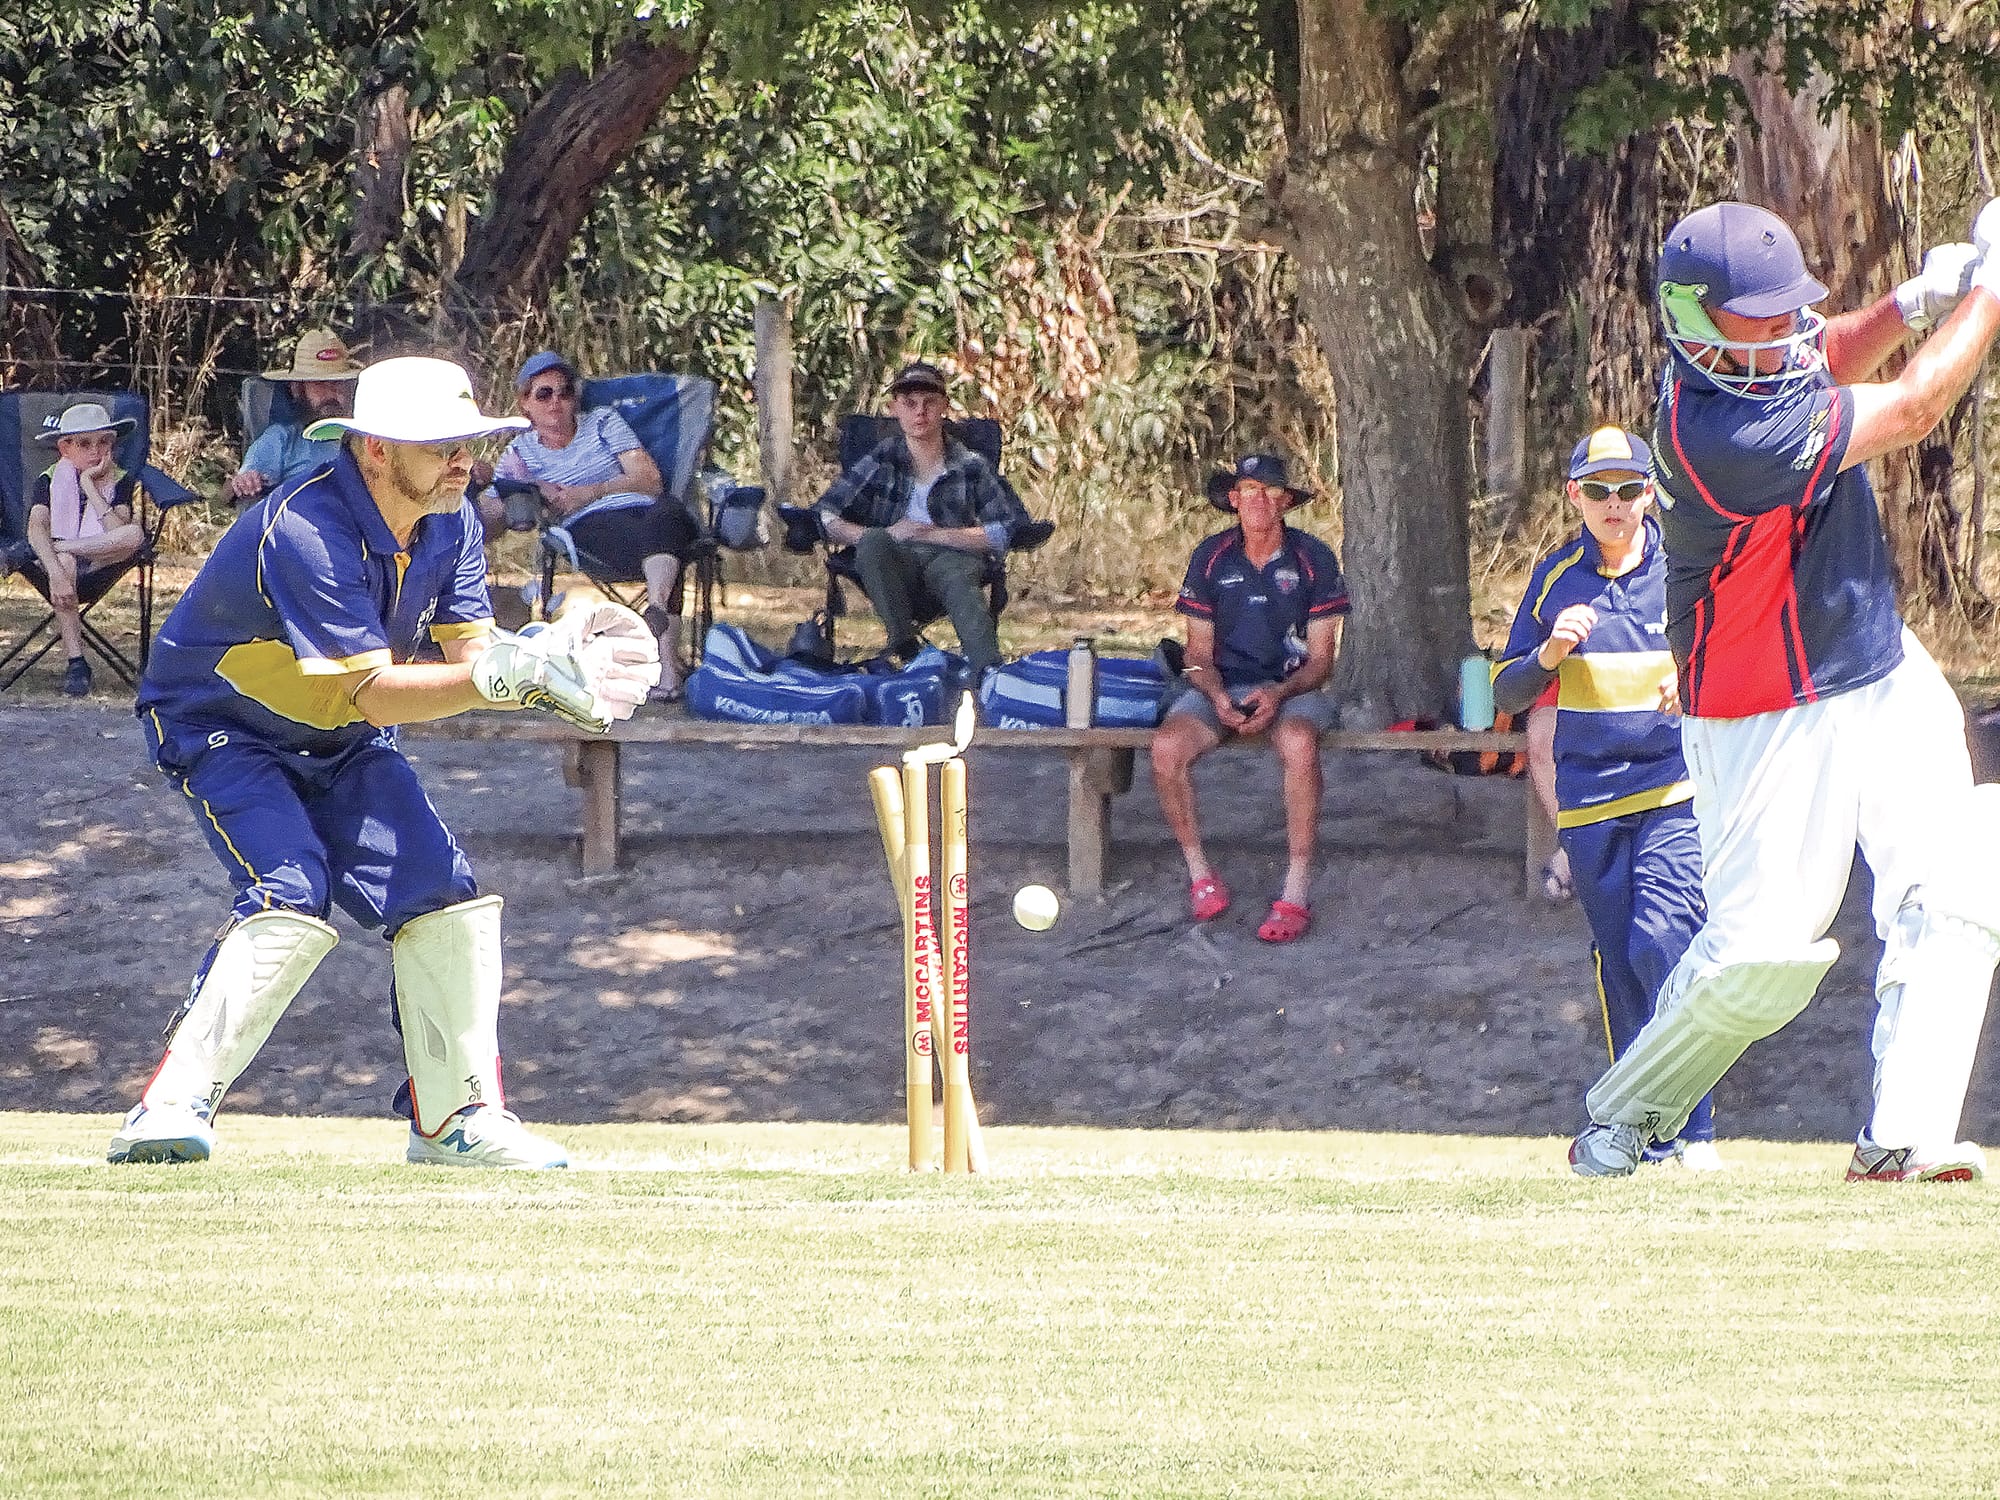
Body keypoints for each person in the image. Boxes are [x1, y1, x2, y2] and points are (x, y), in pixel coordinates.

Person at [110, 356, 658, 1169]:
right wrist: (494, 679)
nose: (462, 461)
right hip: (223, 725)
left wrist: (539, 663)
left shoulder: (454, 520)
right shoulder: (304, 527)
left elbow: (469, 652)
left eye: (468, 443)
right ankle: (168, 1108)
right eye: (440, 445)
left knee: (442, 895)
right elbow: (376, 692)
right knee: (292, 891)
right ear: (373, 448)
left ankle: (454, 1122)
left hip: (339, 736)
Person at [1569, 199, 2000, 1181]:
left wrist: (1905, 301)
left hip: (1875, 664)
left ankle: (1901, 1138)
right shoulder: (1711, 435)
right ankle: (1621, 1120)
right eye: (1753, 318)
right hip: (1759, 708)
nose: (1779, 333)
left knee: (1959, 886)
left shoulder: (1753, 356)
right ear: (1687, 318)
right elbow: (1913, 411)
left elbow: (1822, 354)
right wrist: (1985, 292)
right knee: (1760, 958)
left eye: (1784, 311)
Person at [1495, 426, 1717, 1170]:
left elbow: (1737, 659)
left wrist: (1694, 684)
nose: (1614, 504)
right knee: (1620, 957)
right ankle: (1635, 1128)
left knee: (1667, 942)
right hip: (1588, 800)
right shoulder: (1558, 576)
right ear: (1574, 497)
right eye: (1598, 490)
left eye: (1628, 489)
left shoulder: (1686, 563)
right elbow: (1506, 689)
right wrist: (1550, 653)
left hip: (1672, 790)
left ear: (1650, 494)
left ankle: (1696, 1132)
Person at [1150, 454, 1348, 943]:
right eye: (1248, 491)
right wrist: (1216, 694)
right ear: (1233, 500)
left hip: (1293, 686)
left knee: (1300, 744)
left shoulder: (1313, 558)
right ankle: (1200, 873)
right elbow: (1196, 652)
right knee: (1165, 749)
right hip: (1223, 685)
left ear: (1284, 501)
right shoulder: (1211, 556)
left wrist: (1279, 693)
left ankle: (1295, 889)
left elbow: (1322, 661)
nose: (1258, 500)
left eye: (1268, 491)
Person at [482, 351, 697, 701]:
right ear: (525, 404)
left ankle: (656, 609)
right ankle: (667, 664)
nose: (556, 402)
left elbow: (650, 479)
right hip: (590, 530)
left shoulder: (602, 422)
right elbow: (490, 521)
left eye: (565, 392)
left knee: (669, 514)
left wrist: (589, 491)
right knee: (662, 543)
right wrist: (522, 490)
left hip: (647, 510)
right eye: (544, 394)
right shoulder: (520, 454)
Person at [812, 361, 1032, 677]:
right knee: (873, 542)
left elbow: (1006, 529)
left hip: (952, 555)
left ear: (944, 406)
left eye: (929, 402)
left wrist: (934, 535)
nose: (920, 412)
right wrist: (887, 533)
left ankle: (989, 672)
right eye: (910, 403)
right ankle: (907, 647)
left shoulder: (969, 465)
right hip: (894, 560)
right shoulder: (881, 458)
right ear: (894, 409)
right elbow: (825, 514)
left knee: (959, 579)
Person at [6, 402, 148, 696]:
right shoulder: (48, 478)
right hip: (61, 564)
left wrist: (90, 486)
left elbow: (117, 531)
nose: (96, 451)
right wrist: (56, 572)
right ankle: (77, 662)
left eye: (104, 442)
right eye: (85, 443)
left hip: (102, 559)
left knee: (134, 533)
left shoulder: (119, 478)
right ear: (65, 447)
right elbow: (36, 527)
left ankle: (64, 548)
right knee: (66, 563)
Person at [228, 330, 363, 501]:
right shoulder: (281, 439)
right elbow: (229, 493)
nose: (331, 393)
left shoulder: (367, 437)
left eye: (337, 383)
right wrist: (242, 483)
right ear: (297, 389)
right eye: (320, 384)